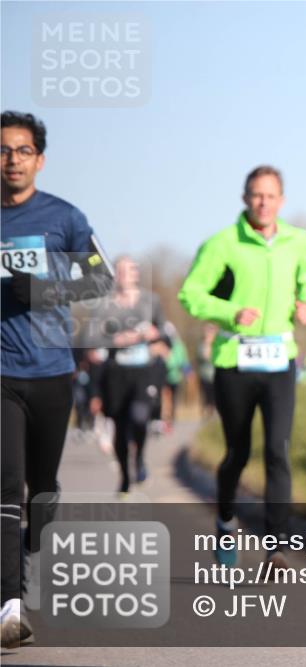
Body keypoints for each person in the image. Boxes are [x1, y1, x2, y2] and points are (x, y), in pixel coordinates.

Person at [1, 111, 114, 648]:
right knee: (5, 488)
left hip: (51, 371)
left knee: (40, 492)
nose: (12, 160)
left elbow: (99, 278)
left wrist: (42, 293)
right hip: (1, 373)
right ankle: (9, 604)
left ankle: (35, 552)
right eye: (4, 150)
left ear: (39, 160)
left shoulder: (64, 218)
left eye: (22, 151)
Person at [179, 165, 306, 570]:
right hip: (234, 361)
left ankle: (276, 544)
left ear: (282, 200)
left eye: (271, 196)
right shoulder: (222, 245)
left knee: (278, 449)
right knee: (238, 452)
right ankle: (226, 522)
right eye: (256, 195)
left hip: (280, 359)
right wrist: (228, 312)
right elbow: (191, 294)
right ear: (245, 199)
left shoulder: (298, 241)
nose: (263, 202)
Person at [84, 256, 167, 494]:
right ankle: (124, 476)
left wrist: (151, 335)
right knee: (120, 427)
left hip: (144, 371)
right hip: (116, 373)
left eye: (127, 271)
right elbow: (91, 340)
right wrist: (117, 340)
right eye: (118, 271)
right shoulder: (104, 305)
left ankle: (139, 458)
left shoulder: (151, 301)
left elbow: (163, 332)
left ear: (136, 274)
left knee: (140, 417)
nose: (123, 275)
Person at [196, 323, 218, 417]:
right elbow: (205, 356)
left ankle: (214, 415)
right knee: (206, 397)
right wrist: (208, 344)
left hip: (216, 375)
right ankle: (207, 414)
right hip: (205, 375)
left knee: (216, 398)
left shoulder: (218, 343)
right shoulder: (201, 344)